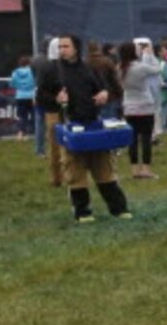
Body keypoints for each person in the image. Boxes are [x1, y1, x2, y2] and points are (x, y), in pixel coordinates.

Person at [35, 34, 133, 223]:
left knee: (104, 169)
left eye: (66, 46)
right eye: (60, 46)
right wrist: (56, 99)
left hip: (92, 123)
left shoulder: (89, 68)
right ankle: (83, 211)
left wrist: (103, 94)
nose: (61, 50)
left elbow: (103, 88)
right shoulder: (52, 70)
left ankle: (119, 208)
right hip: (70, 126)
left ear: (76, 48)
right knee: (75, 171)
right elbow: (40, 97)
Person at [120, 38, 165, 181]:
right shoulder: (141, 67)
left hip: (129, 106)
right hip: (145, 105)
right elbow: (158, 70)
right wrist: (150, 55)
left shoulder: (120, 68)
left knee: (132, 140)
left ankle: (134, 169)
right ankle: (146, 169)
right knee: (146, 139)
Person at [10, 54, 38, 148]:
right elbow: (36, 82)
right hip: (32, 96)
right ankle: (37, 134)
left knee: (22, 116)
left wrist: (19, 88)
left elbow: (12, 84)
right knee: (35, 115)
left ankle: (21, 134)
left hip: (20, 96)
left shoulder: (15, 72)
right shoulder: (32, 72)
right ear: (29, 63)